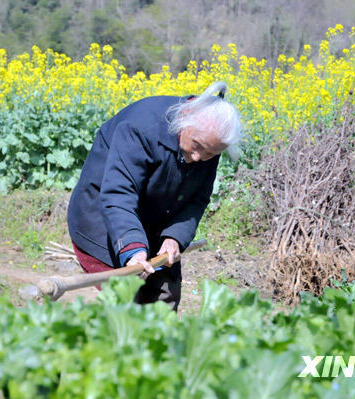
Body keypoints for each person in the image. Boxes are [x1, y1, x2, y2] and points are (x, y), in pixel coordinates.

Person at [67, 82, 242, 311]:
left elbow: (196, 199)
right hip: (103, 221)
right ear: (185, 118)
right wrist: (133, 248)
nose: (200, 158)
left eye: (211, 153)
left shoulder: (208, 141)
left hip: (154, 220)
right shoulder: (141, 127)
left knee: (164, 300)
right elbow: (119, 194)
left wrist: (174, 237)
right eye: (197, 146)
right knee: (125, 307)